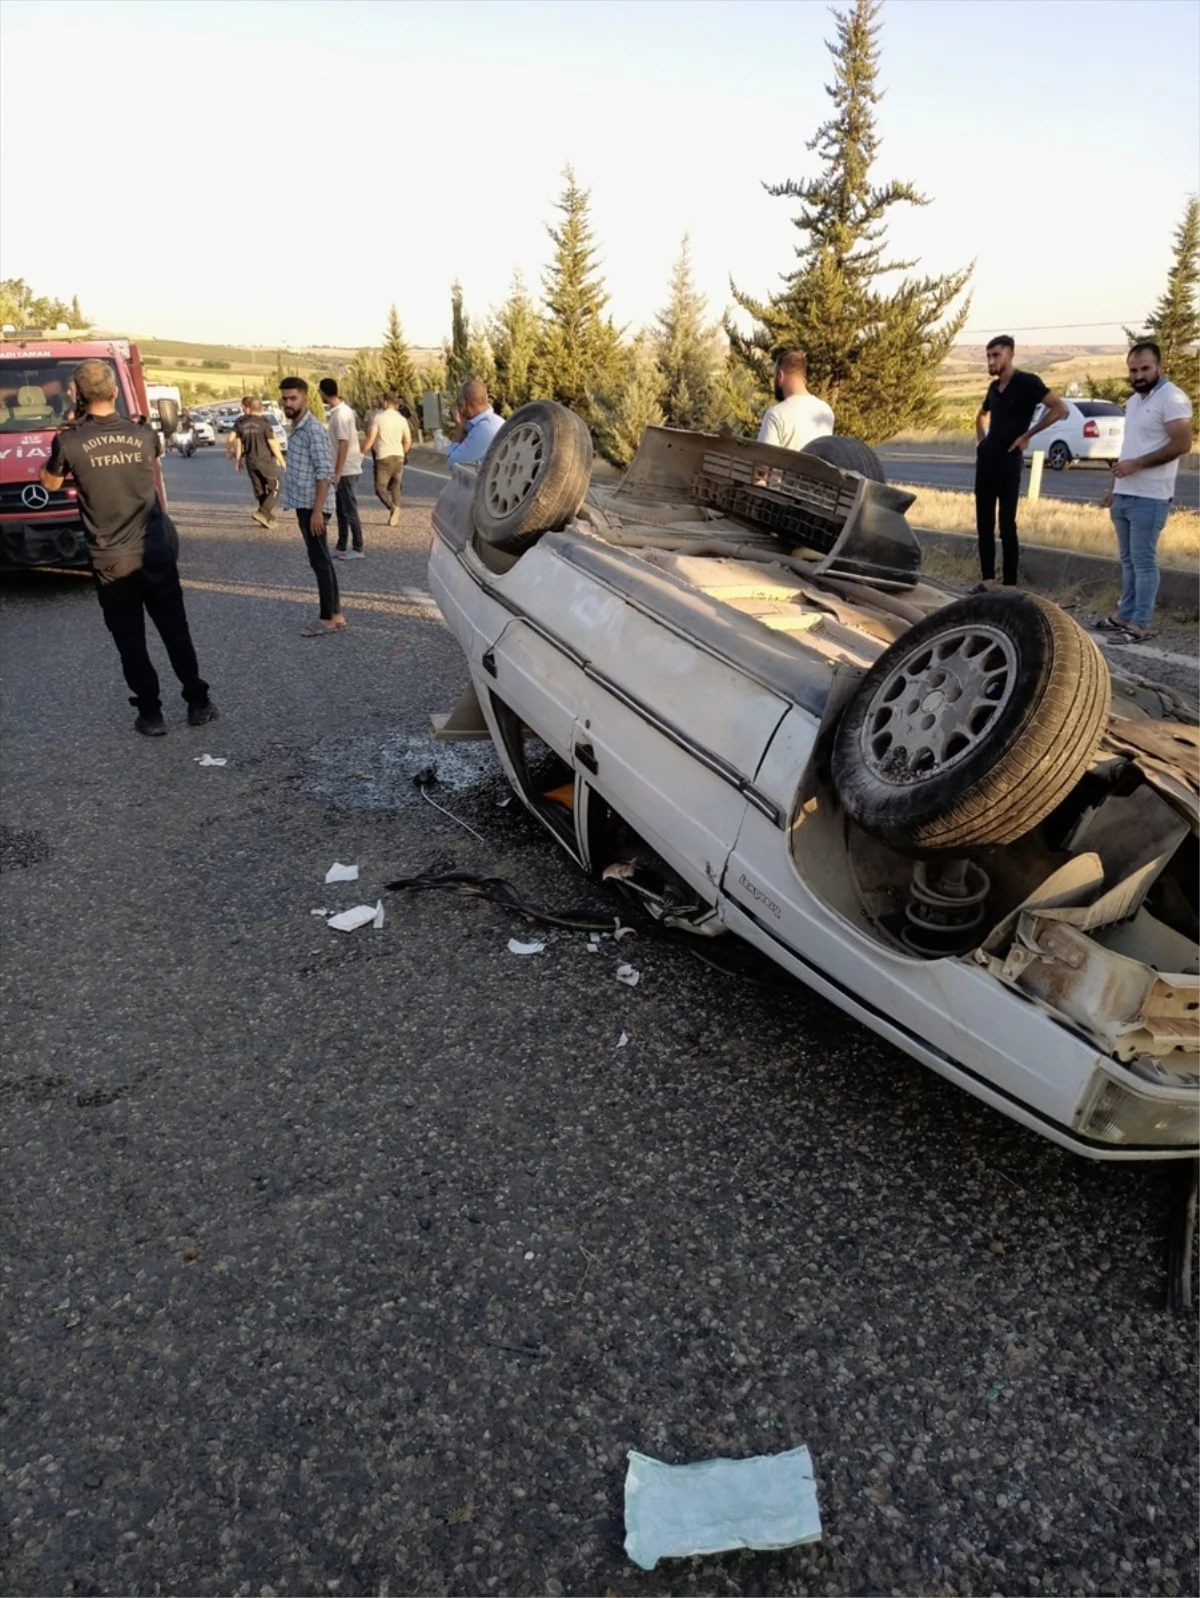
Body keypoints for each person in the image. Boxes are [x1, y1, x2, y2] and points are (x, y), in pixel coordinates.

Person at [39, 357, 216, 736]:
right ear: (115, 391)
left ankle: (151, 714)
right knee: (175, 630)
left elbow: (50, 484)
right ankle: (198, 703)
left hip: (110, 557)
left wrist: (70, 426)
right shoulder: (143, 435)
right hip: (154, 547)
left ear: (79, 395)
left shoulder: (69, 440)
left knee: (130, 638)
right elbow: (146, 462)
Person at [1098, 341, 1193, 642]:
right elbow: (1130, 448)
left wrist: (1138, 465)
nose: (1138, 375)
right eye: (1133, 370)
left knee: (1143, 562)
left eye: (1145, 369)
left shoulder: (1173, 399)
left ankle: (1139, 623)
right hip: (1125, 493)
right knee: (1127, 561)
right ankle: (1123, 615)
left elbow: (1182, 444)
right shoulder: (1135, 401)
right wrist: (1115, 487)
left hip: (1150, 496)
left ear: (1159, 367)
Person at [973, 336, 1067, 590]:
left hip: (1009, 462)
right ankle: (987, 580)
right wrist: (982, 442)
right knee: (984, 522)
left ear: (1010, 354)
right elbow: (981, 415)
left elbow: (1059, 408)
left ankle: (1010, 584)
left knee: (1006, 523)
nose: (992, 360)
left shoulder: (1027, 383)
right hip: (987, 462)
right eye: (988, 355)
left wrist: (1028, 436)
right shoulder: (993, 389)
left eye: (996, 355)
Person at [278, 377, 345, 637]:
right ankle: (336, 614)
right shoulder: (296, 428)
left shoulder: (313, 430)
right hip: (304, 504)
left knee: (320, 561)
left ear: (305, 398)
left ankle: (327, 618)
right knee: (321, 559)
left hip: (313, 505)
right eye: (284, 398)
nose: (288, 403)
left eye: (293, 398)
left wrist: (318, 511)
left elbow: (324, 472)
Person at [318, 377, 365, 560]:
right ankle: (341, 545)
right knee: (341, 509)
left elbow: (343, 444)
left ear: (323, 392)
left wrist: (337, 472)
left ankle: (358, 547)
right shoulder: (340, 412)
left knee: (350, 509)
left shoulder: (341, 414)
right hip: (341, 469)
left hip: (346, 470)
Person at [756, 350, 834, 451]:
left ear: (780, 375)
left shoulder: (776, 415)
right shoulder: (826, 412)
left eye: (774, 376)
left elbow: (763, 463)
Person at [231, 395, 285, 529]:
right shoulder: (264, 423)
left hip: (250, 462)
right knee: (275, 488)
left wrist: (238, 459)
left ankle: (266, 517)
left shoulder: (242, 423)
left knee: (260, 489)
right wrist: (281, 459)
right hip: (265, 461)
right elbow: (272, 443)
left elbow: (238, 443)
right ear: (261, 408)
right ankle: (263, 512)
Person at [361, 392, 413, 526]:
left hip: (384, 456)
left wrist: (361, 452)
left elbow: (371, 438)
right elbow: (408, 441)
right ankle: (395, 514)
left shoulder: (379, 418)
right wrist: (402, 452)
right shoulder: (402, 419)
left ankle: (392, 508)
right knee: (395, 486)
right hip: (399, 456)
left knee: (380, 488)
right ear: (396, 404)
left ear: (385, 402)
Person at [446, 379, 504, 466]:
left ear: (464, 403)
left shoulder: (483, 429)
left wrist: (459, 428)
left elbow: (452, 462)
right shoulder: (499, 421)